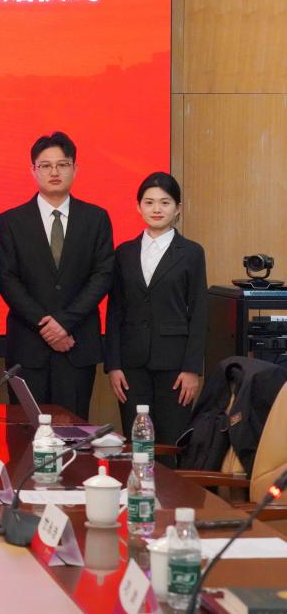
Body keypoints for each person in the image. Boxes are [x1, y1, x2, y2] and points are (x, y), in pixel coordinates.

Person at [0, 132, 114, 420]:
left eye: (62, 164)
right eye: (45, 165)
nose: (54, 172)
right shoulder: (11, 220)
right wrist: (45, 324)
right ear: (33, 170)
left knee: (72, 431)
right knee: (26, 433)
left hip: (76, 345)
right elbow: (7, 279)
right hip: (28, 347)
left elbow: (102, 275)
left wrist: (64, 322)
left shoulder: (96, 218)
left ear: (75, 168)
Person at [105, 172, 207, 452]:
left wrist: (192, 369)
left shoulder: (191, 252)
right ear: (138, 207)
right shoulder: (124, 252)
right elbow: (115, 310)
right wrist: (113, 365)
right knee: (137, 444)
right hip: (131, 364)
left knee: (170, 445)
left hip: (175, 365)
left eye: (165, 202)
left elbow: (199, 312)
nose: (157, 209)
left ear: (177, 208)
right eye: (149, 202)